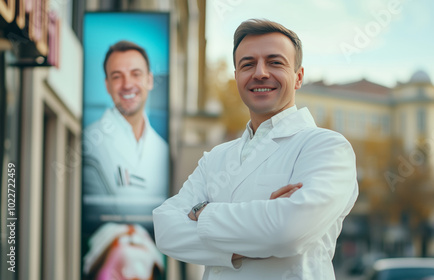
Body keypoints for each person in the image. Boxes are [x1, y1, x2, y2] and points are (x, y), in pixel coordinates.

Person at [153, 19, 358, 279]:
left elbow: (287, 232)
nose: (260, 73)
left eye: (275, 62)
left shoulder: (326, 148)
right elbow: (165, 230)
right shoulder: (216, 158)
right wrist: (262, 228)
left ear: (298, 77)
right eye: (247, 64)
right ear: (237, 76)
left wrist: (202, 213)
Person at [83, 40, 169, 200]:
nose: (127, 84)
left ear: (149, 80)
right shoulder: (88, 144)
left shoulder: (163, 150)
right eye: (117, 77)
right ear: (107, 85)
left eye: (136, 74)